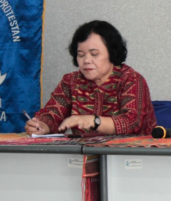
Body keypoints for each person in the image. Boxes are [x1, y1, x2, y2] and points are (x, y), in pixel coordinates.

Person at [25, 20, 156, 136]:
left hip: (131, 158)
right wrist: (41, 126)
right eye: (81, 55)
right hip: (85, 156)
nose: (86, 60)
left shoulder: (131, 79)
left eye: (94, 54)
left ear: (112, 53)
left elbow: (132, 123)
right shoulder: (71, 81)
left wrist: (94, 121)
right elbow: (52, 116)